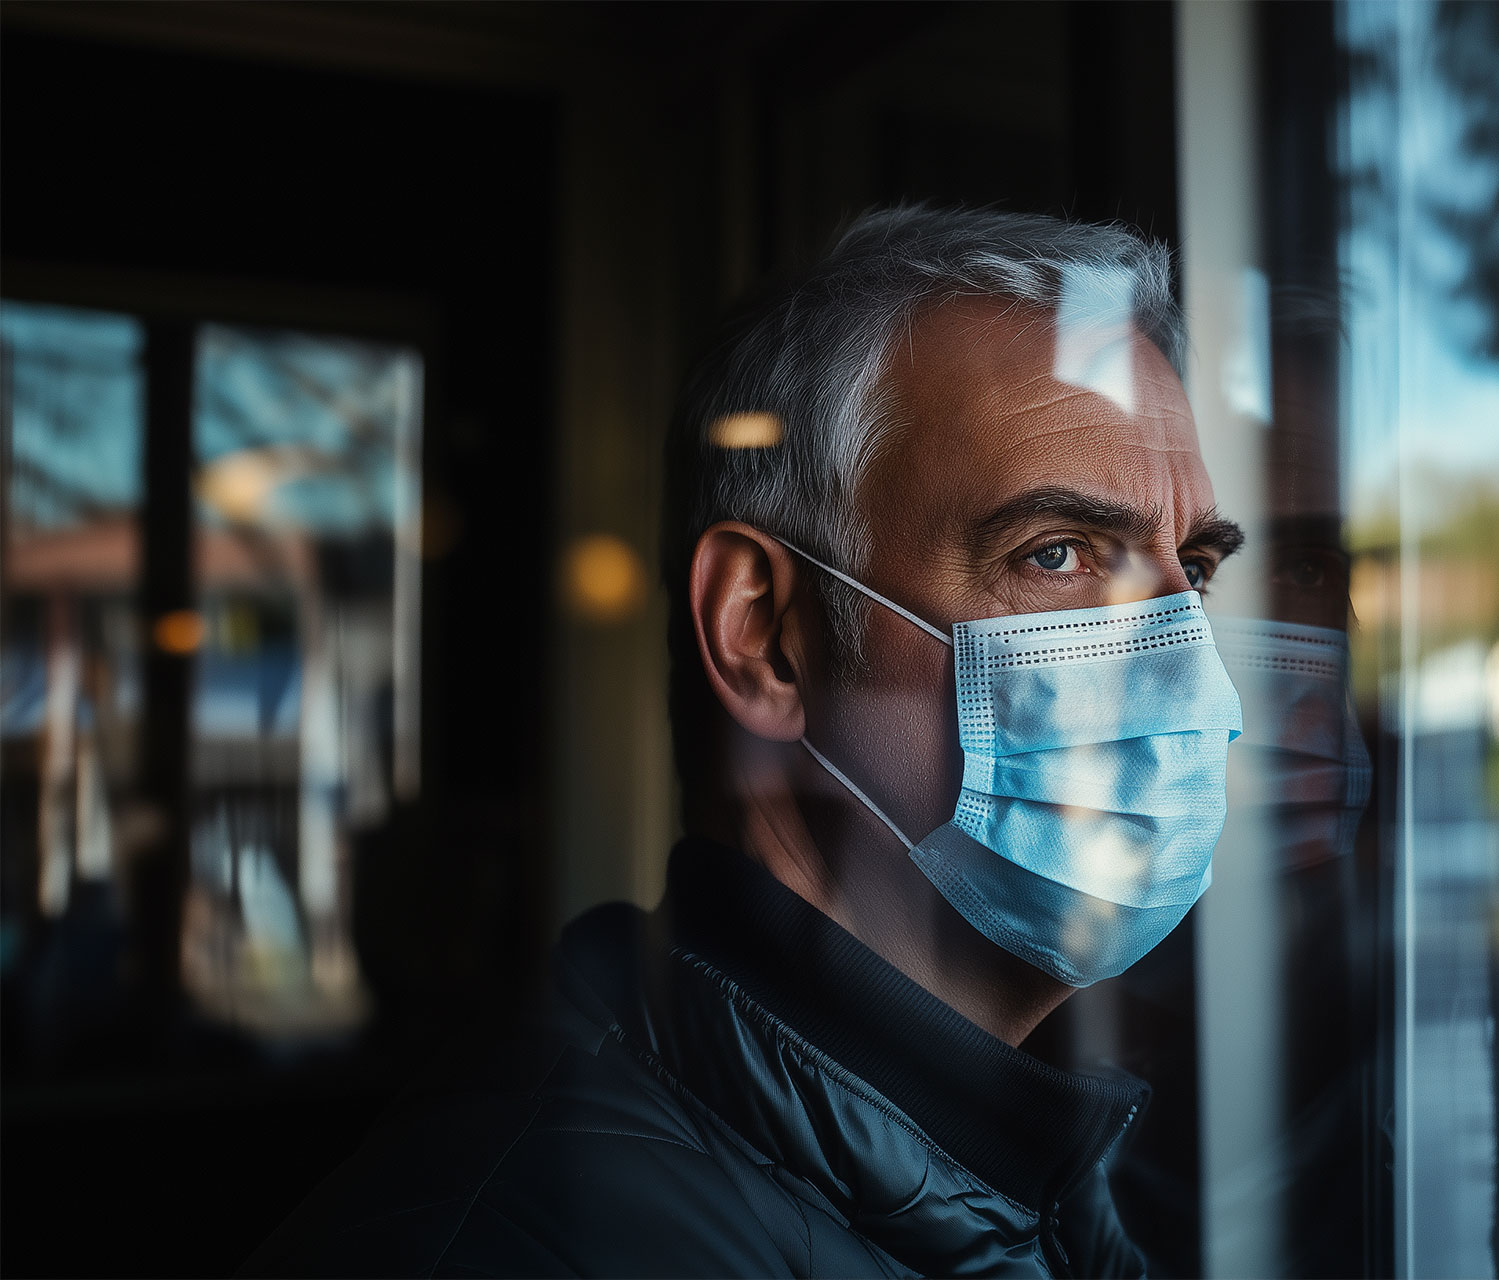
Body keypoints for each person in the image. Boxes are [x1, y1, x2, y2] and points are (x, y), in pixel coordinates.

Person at [247, 206, 1250, 1278]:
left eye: (1189, 567)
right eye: (1057, 553)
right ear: (764, 634)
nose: (1178, 657)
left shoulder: (1030, 1180)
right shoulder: (521, 1240)